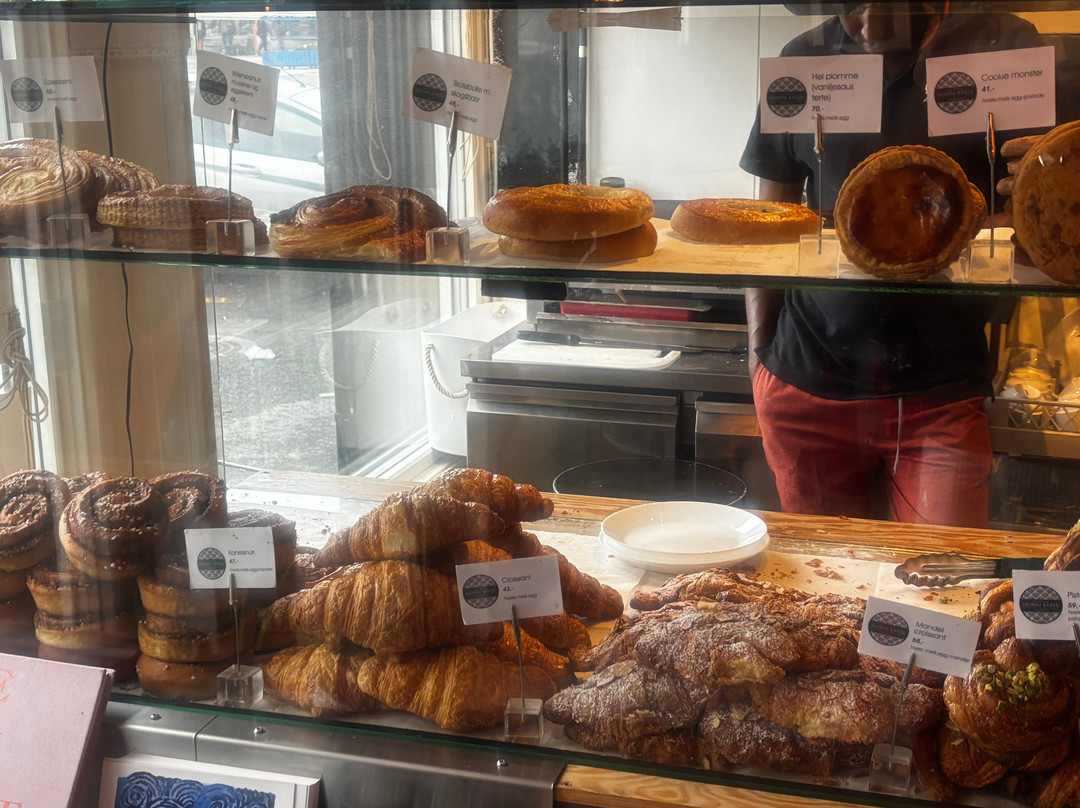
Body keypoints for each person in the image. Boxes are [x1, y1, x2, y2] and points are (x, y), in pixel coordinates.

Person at [741, 2, 1051, 528]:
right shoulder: (805, 59)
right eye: (851, 6)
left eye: (890, 5)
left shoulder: (1001, 46)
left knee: (941, 573)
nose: (870, 25)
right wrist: (758, 353)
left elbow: (1047, 195)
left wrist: (1020, 202)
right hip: (806, 376)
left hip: (941, 386)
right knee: (830, 573)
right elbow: (769, 223)